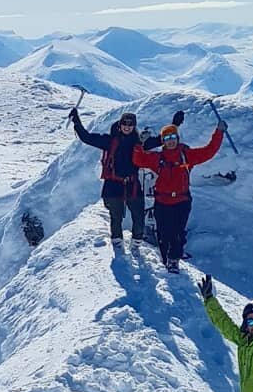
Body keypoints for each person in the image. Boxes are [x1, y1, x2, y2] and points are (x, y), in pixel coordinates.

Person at [134, 113, 225, 271]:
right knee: (163, 233)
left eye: (172, 137)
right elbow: (138, 159)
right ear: (163, 141)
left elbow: (209, 151)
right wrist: (139, 144)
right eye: (167, 138)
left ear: (177, 138)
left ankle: (174, 260)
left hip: (181, 201)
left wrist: (219, 132)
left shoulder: (186, 155)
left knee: (177, 232)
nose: (170, 141)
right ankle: (165, 259)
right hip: (162, 201)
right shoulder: (157, 157)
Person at [69, 107, 158, 244]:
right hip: (113, 184)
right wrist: (76, 121)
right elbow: (86, 137)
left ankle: (137, 242)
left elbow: (161, 141)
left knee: (139, 215)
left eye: (130, 124)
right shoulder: (110, 141)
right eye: (125, 123)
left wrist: (174, 126)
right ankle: (117, 242)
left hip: (132, 184)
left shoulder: (139, 143)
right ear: (120, 124)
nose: (127, 127)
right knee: (115, 216)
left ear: (134, 126)